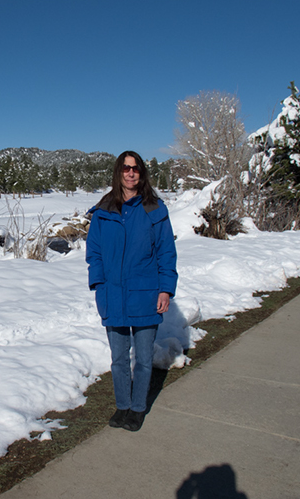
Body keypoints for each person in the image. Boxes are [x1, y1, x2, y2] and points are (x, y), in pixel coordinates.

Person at [85, 150, 178, 432]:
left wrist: (165, 290)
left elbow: (166, 253)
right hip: (112, 294)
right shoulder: (103, 210)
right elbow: (94, 253)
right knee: (118, 358)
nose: (131, 173)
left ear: (142, 173)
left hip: (146, 293)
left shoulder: (154, 209)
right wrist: (99, 285)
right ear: (118, 172)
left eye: (136, 168)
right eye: (126, 168)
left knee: (144, 359)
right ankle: (122, 405)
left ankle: (138, 408)